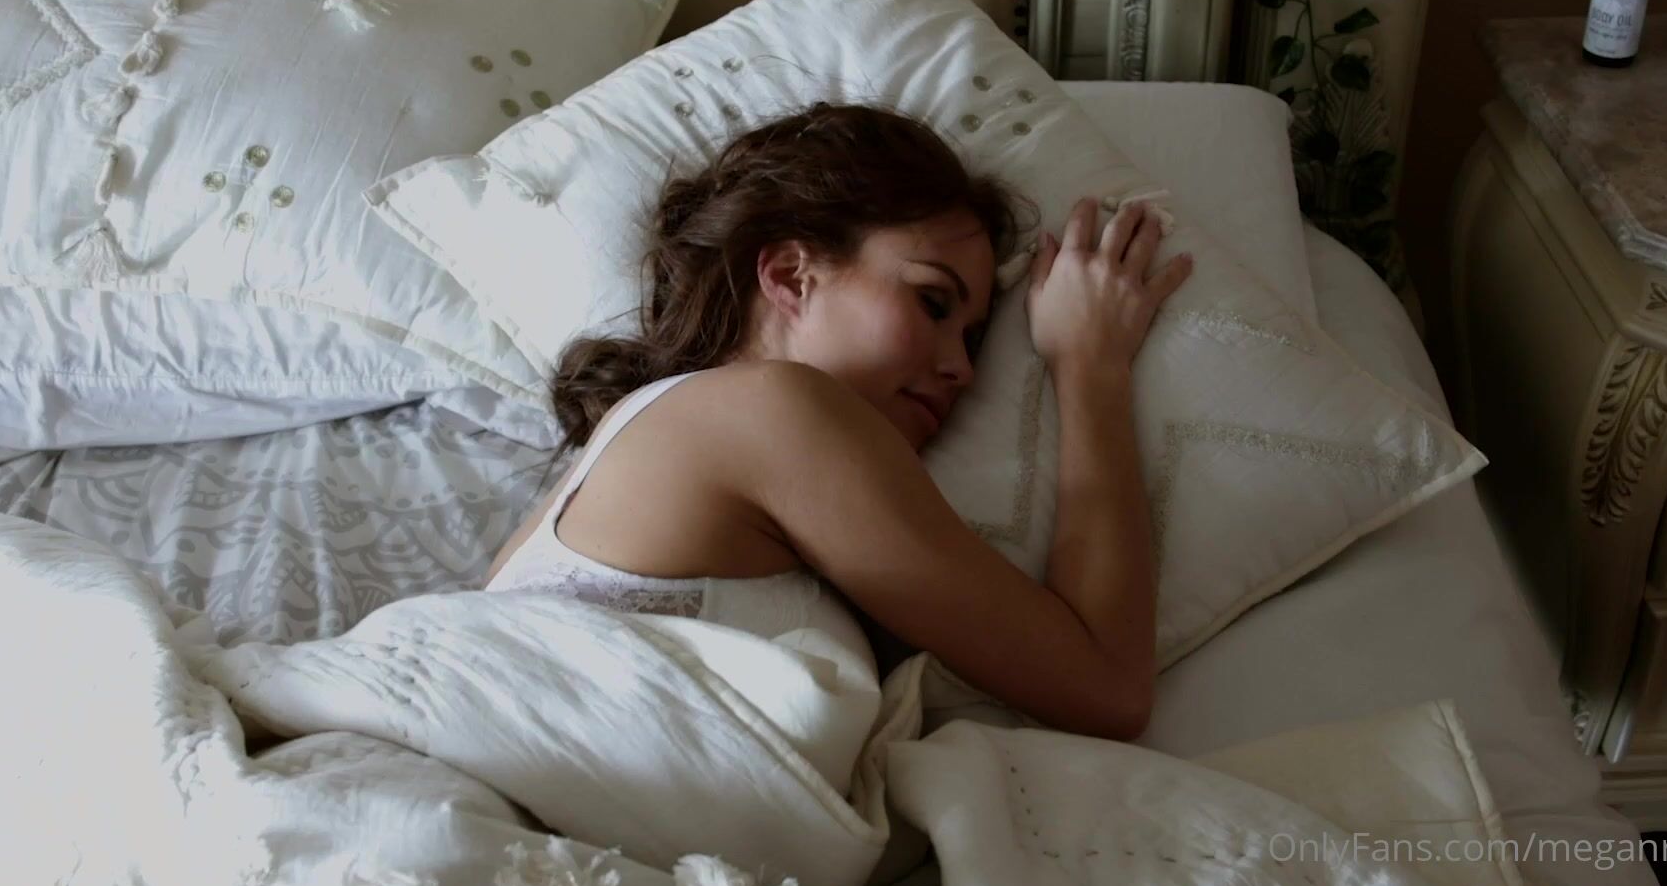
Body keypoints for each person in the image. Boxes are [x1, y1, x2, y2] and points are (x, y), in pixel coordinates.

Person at [484, 103, 1192, 740]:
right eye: (933, 303)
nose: (962, 370)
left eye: (974, 340)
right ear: (792, 277)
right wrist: (1091, 365)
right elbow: (1107, 689)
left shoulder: (638, 441)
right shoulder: (777, 409)